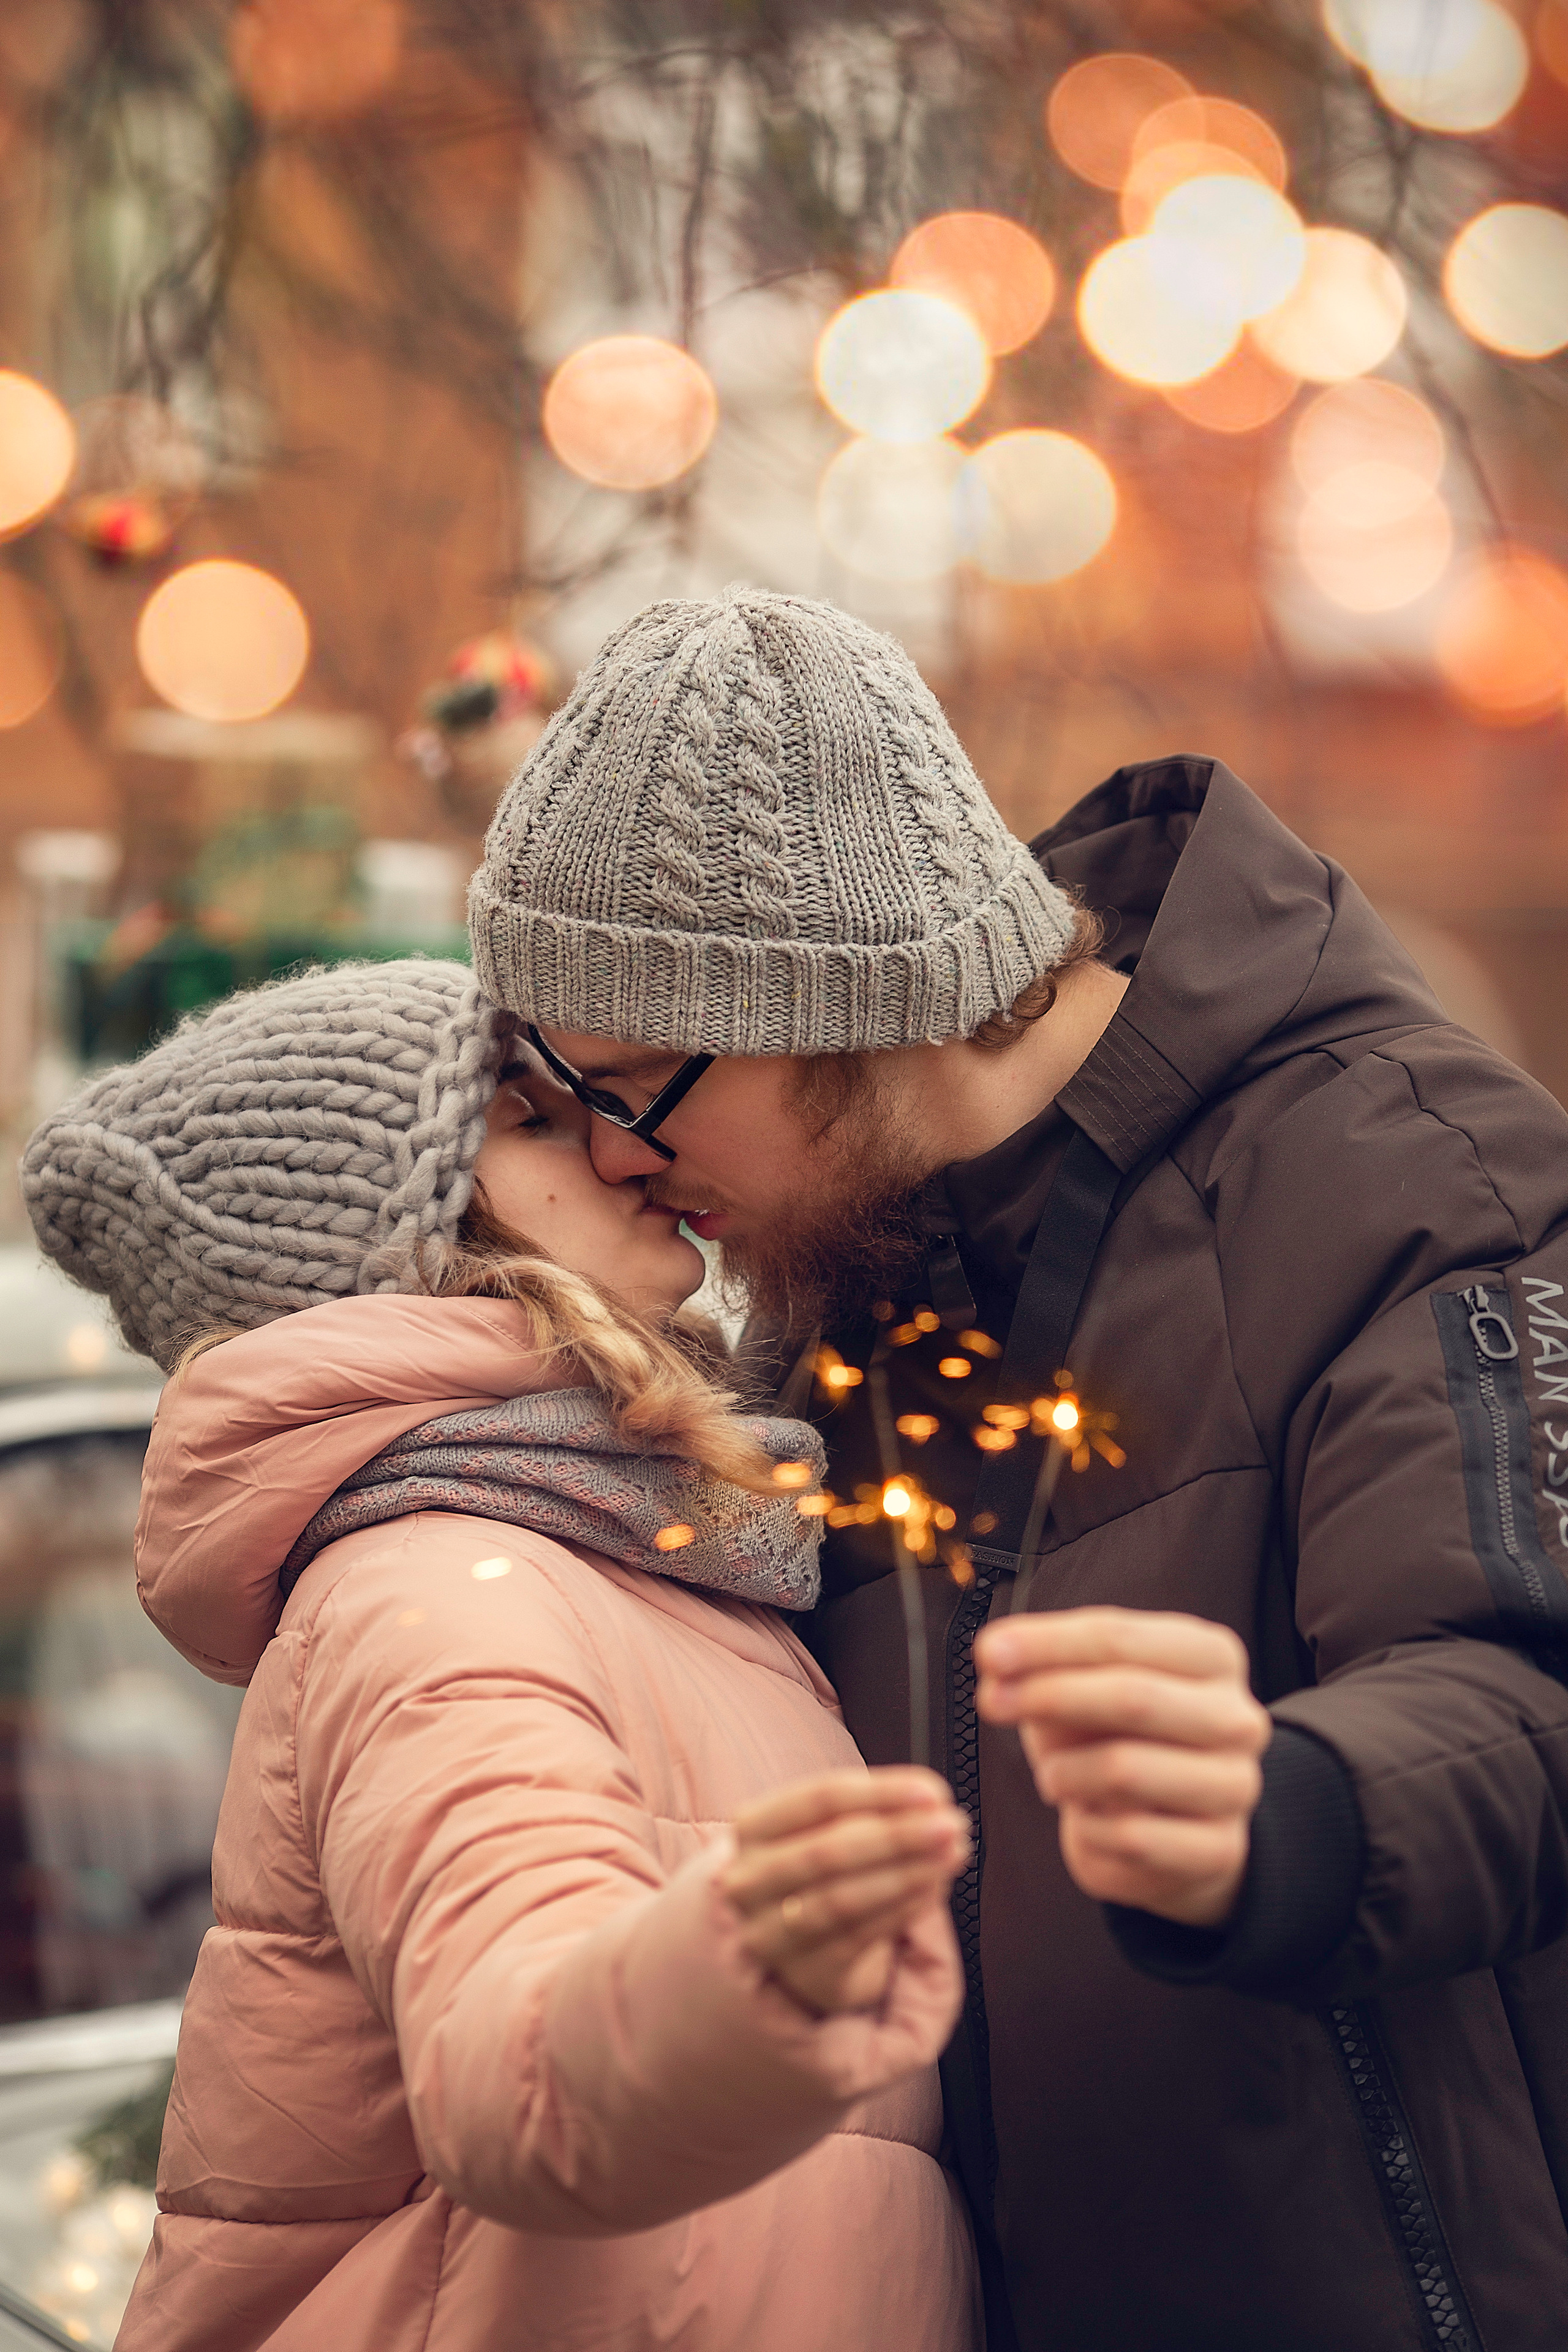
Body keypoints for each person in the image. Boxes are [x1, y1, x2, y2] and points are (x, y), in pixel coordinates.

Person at [468, 583, 1568, 2352]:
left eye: (635, 1085)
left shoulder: (1409, 1175)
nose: (612, 1160)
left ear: (833, 1002)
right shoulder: (835, 1294)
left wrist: (1295, 1810)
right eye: (562, 1095)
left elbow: (1524, 1682)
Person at [21, 959, 982, 2352]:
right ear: (414, 1240)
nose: (627, 1147)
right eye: (536, 1116)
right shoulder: (444, 1583)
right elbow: (519, 2068)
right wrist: (737, 1976)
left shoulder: (623, 1534)